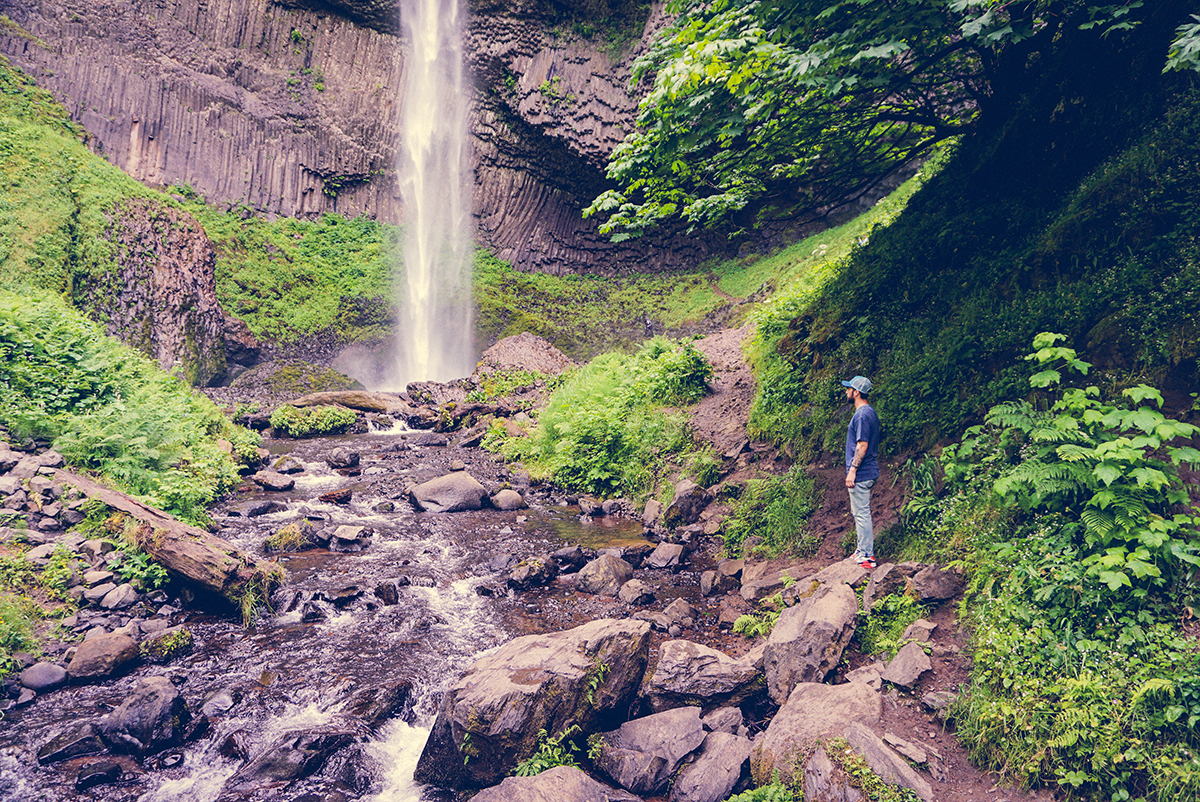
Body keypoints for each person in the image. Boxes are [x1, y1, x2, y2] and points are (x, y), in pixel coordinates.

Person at [842, 375, 880, 570]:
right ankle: (861, 550)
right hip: (866, 471)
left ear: (856, 392)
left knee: (862, 513)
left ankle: (866, 555)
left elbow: (862, 445)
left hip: (862, 472)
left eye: (849, 389)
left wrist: (853, 471)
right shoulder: (868, 412)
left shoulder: (863, 415)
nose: (846, 391)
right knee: (859, 512)